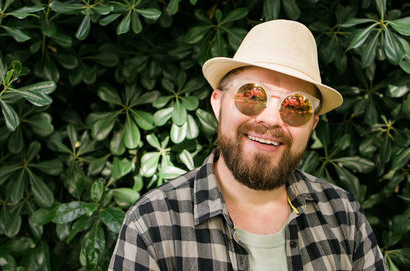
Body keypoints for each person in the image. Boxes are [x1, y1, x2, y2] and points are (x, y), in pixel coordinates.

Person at [109, 19, 386, 271]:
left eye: (296, 106)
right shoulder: (151, 225)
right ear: (218, 104)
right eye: (251, 96)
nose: (271, 119)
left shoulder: (344, 216)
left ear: (312, 124)